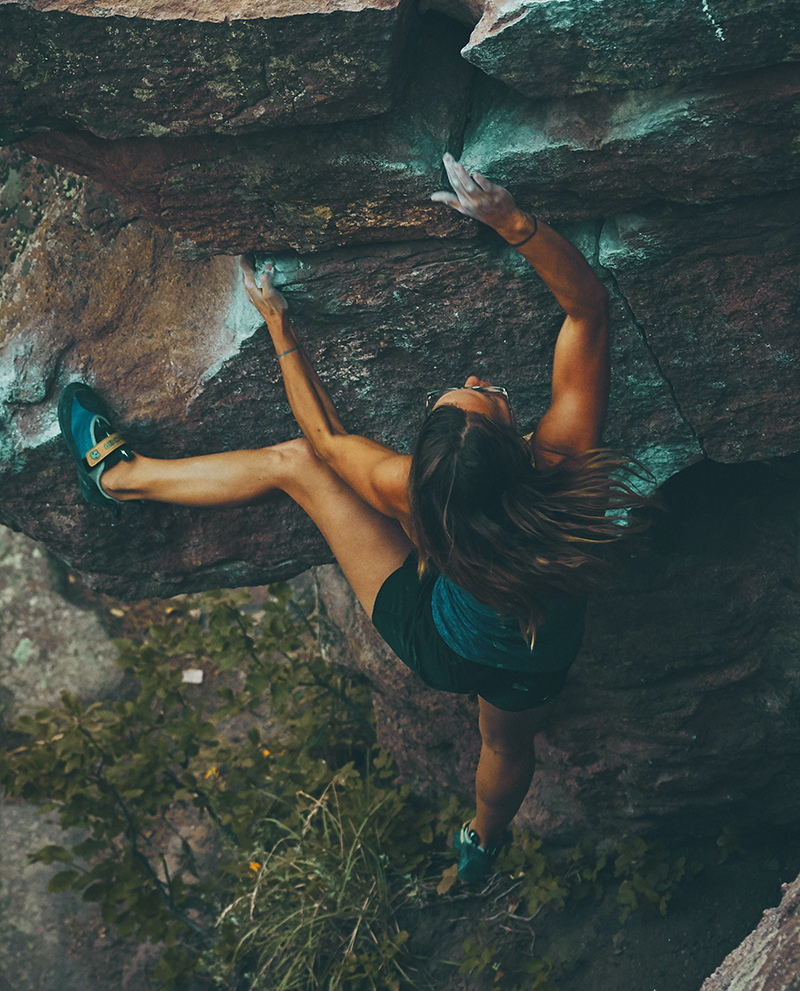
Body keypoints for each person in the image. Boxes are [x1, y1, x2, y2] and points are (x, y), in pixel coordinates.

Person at [59, 154, 643, 884]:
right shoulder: (566, 469)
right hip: (530, 656)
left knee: (297, 465)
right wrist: (511, 220)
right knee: (505, 747)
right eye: (478, 393)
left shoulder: (412, 492)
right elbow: (587, 307)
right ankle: (482, 846)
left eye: (469, 394)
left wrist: (278, 324)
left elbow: (325, 444)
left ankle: (120, 478)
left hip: (439, 640)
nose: (472, 379)